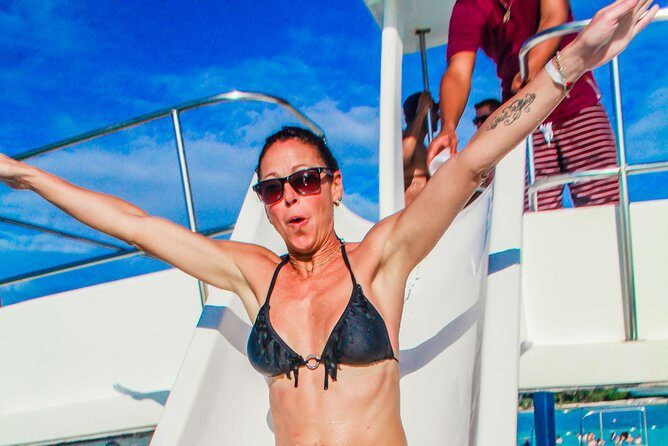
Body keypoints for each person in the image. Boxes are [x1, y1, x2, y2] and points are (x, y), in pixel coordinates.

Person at [0, 2, 656, 444]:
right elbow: (138, 225)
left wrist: (573, 61)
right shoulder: (254, 275)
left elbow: (473, 162)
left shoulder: (381, 257)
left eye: (306, 180)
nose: (291, 198)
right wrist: (27, 177)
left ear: (335, 187)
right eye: (273, 188)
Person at [431, 0, 623, 211]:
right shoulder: (468, 6)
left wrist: (529, 70)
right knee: (530, 217)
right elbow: (458, 71)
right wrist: (448, 127)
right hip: (521, 119)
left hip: (577, 103)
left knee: (606, 210)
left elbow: (554, 15)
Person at [402, 91, 438, 205]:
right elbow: (403, 157)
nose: (438, 116)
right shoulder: (400, 138)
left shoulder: (426, 148)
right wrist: (421, 113)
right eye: (434, 110)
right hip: (408, 211)